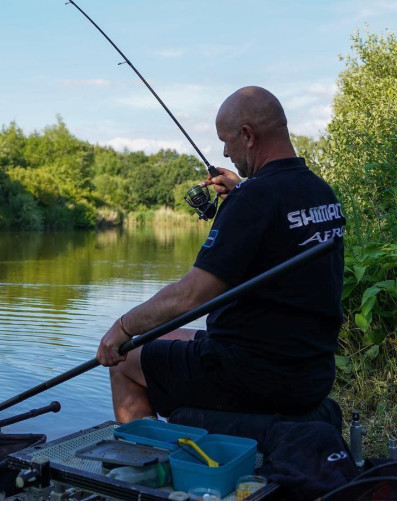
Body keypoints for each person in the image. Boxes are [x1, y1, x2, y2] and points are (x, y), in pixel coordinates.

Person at [96, 86, 345, 423]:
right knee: (157, 335)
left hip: (254, 374)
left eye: (226, 141)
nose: (225, 154)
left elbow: (191, 296)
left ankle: (149, 469)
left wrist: (123, 327)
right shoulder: (319, 191)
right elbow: (277, 220)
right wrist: (242, 188)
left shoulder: (253, 199)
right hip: (311, 369)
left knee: (125, 359)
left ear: (248, 135)